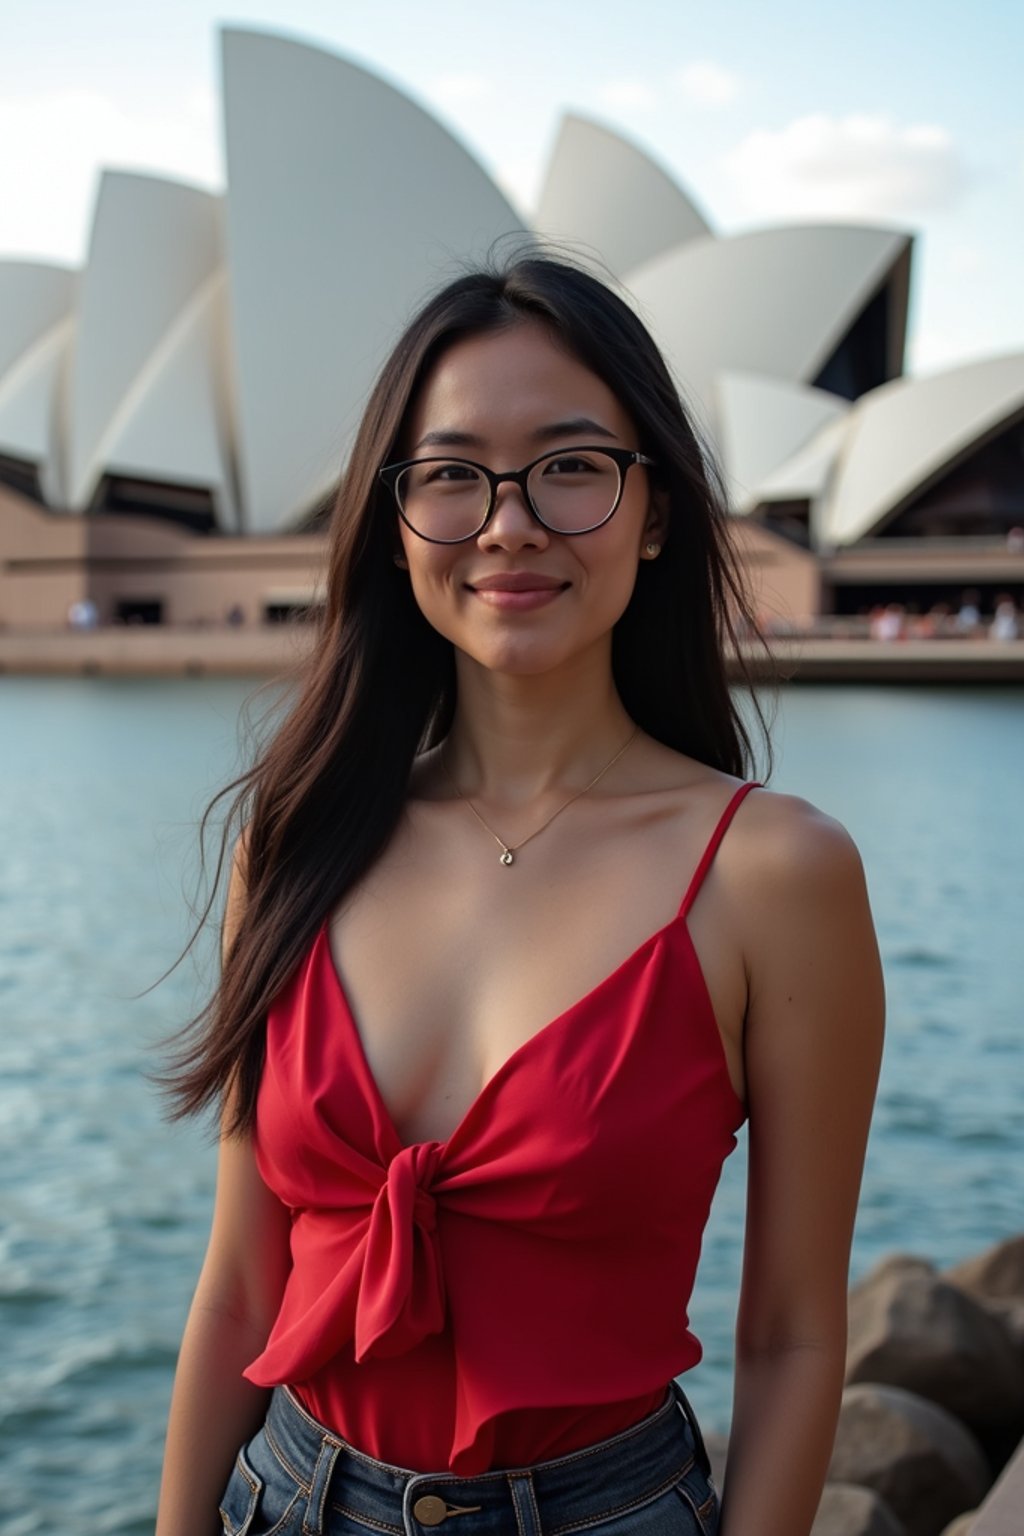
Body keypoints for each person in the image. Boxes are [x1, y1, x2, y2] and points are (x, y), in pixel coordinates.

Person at [156, 256, 884, 1536]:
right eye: (450, 474)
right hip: (285, 1498)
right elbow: (236, 1288)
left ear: (653, 508)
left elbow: (788, 1338)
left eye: (569, 465)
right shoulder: (297, 836)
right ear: (393, 520)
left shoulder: (775, 875)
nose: (509, 523)